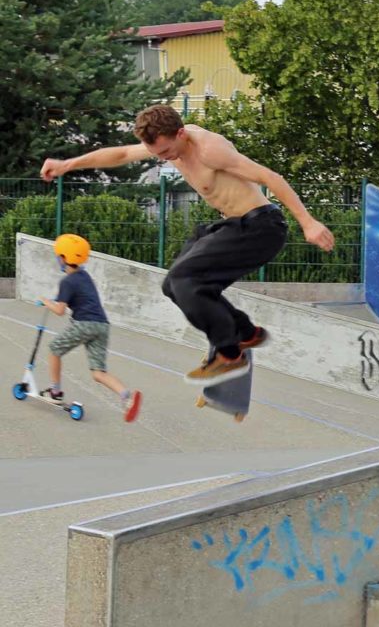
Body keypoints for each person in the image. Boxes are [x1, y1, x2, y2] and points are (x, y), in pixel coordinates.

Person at [40, 105, 335, 387]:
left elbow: (270, 177)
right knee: (172, 285)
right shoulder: (165, 143)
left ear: (180, 133)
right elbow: (121, 153)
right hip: (233, 226)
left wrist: (308, 223)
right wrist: (68, 164)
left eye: (167, 151)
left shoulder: (210, 149)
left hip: (261, 227)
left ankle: (230, 354)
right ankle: (246, 333)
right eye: (157, 154)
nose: (163, 158)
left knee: (186, 280)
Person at [41, 233, 142, 423]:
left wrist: (46, 302)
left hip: (84, 324)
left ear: (64, 258)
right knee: (98, 372)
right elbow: (82, 298)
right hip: (102, 325)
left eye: (58, 256)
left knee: (54, 350)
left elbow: (60, 310)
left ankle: (54, 391)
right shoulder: (84, 276)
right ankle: (126, 396)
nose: (57, 259)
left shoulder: (67, 281)